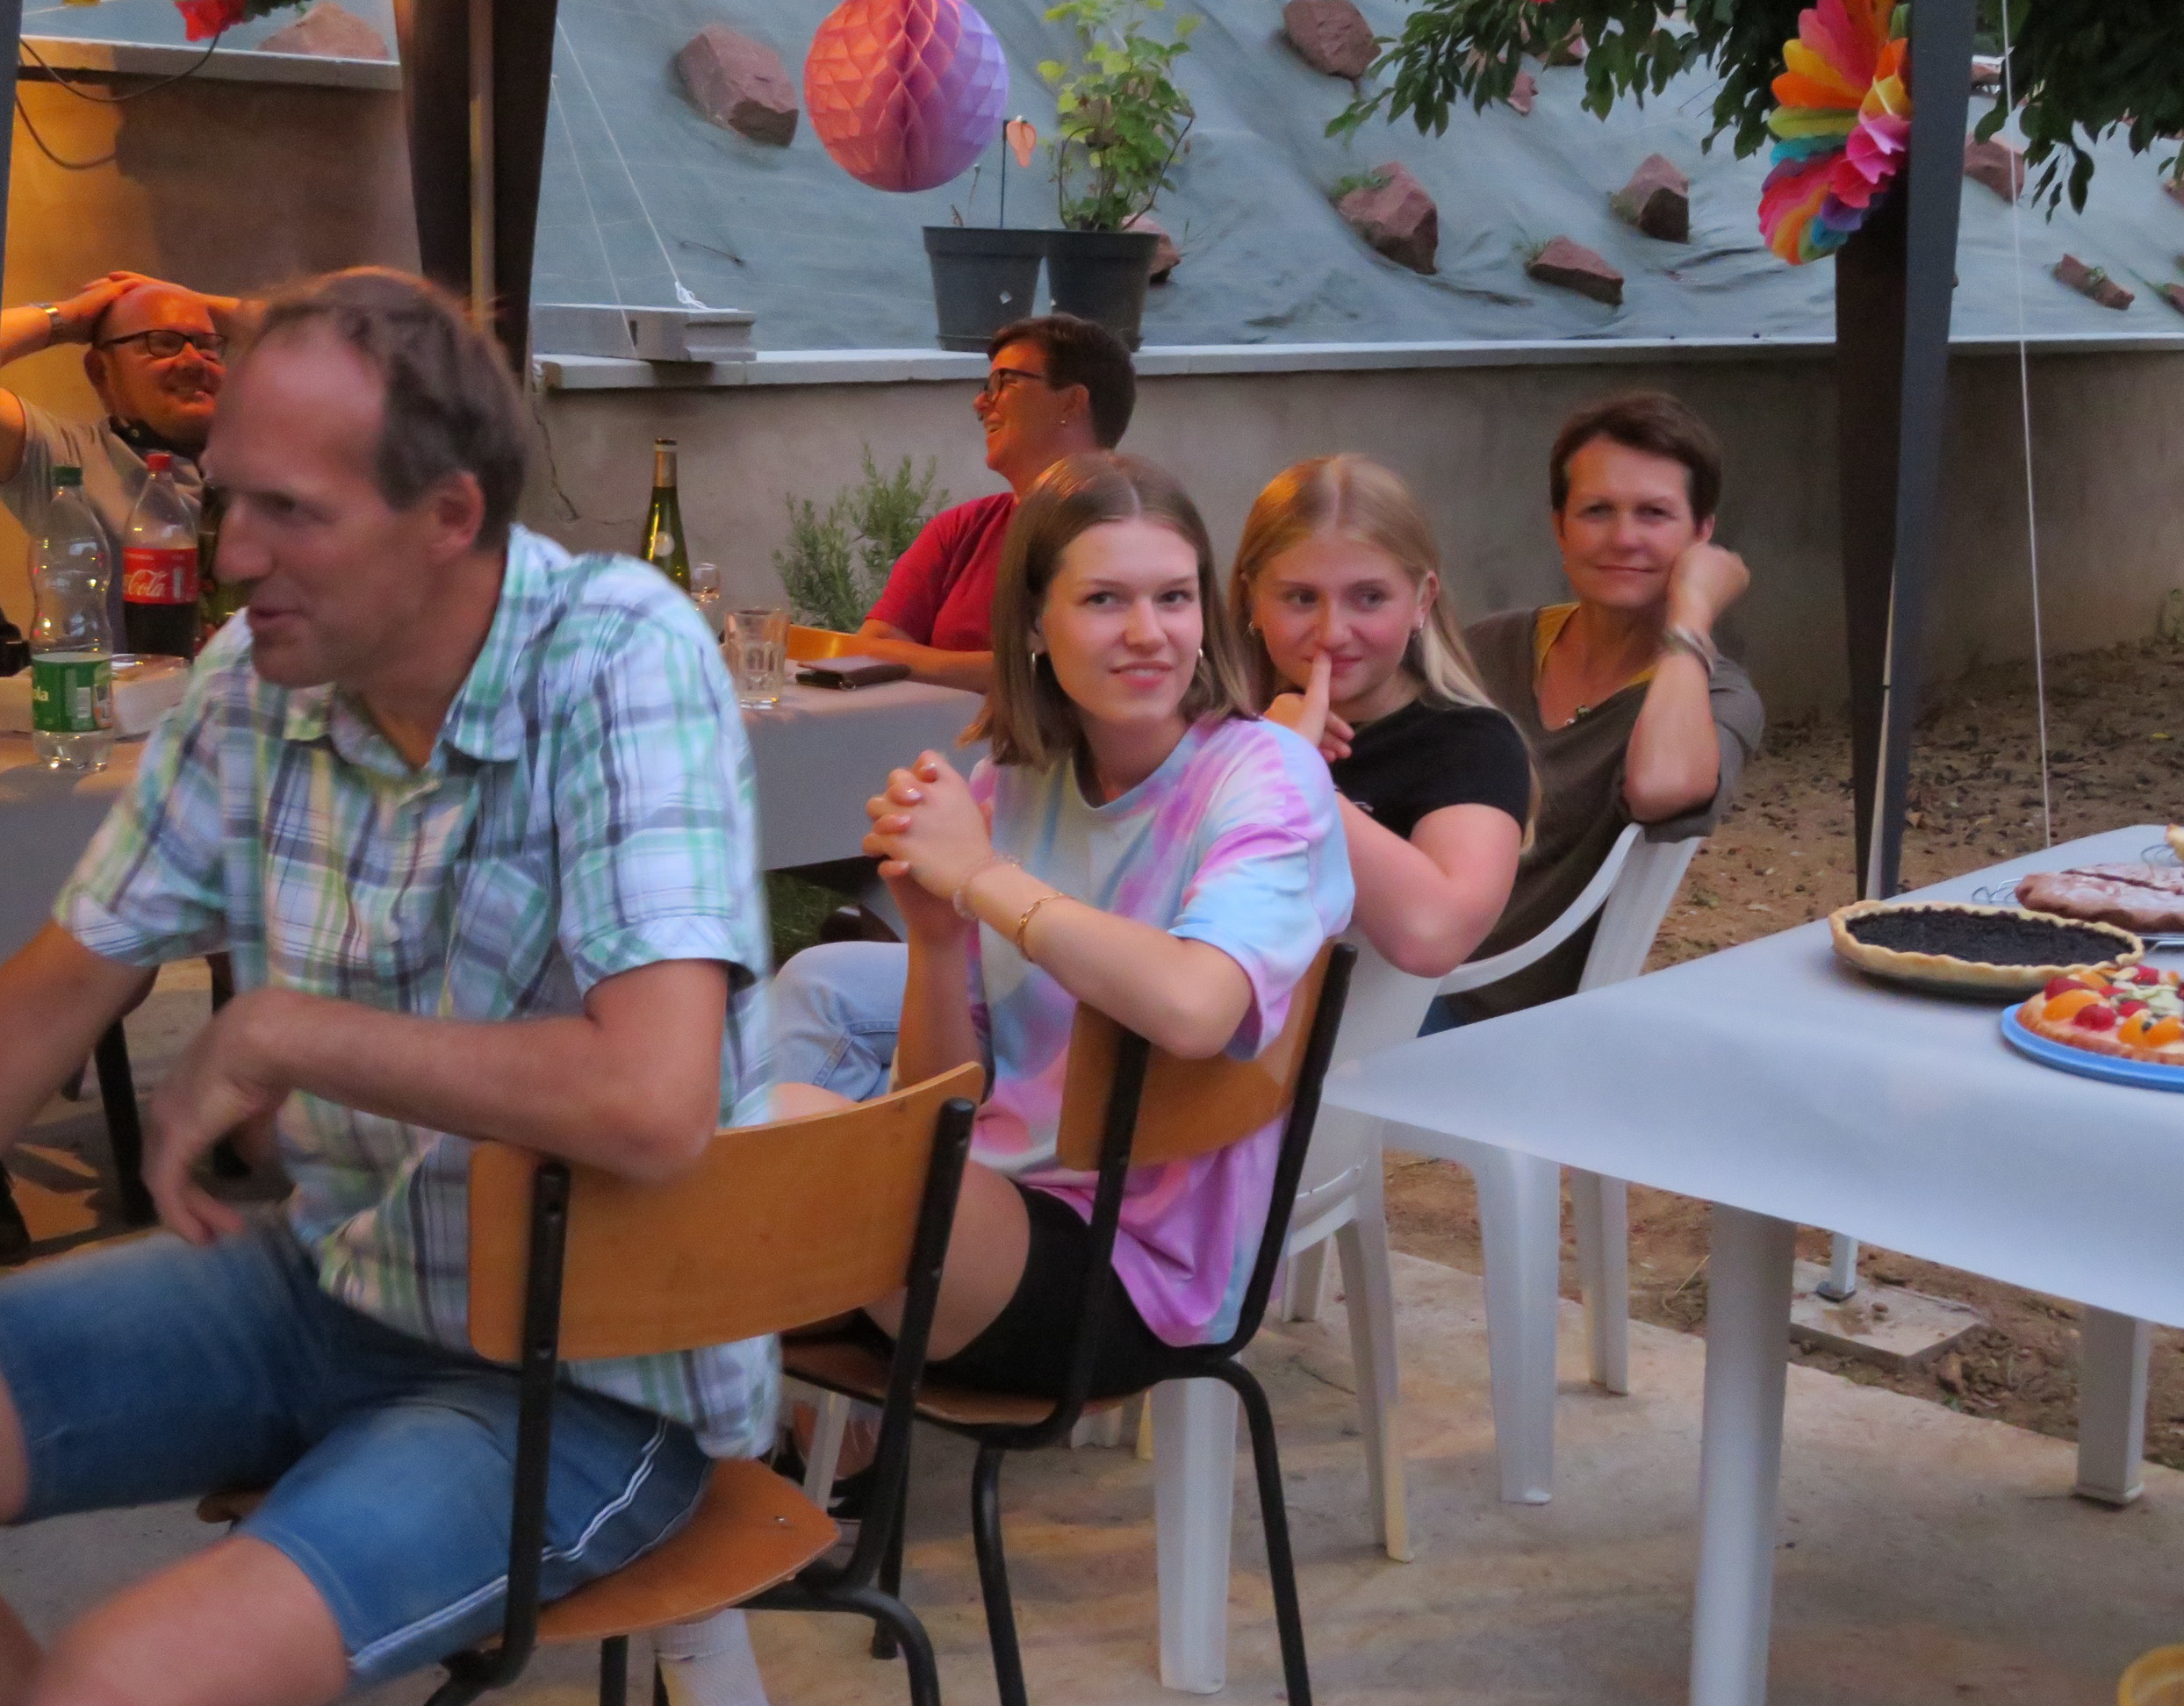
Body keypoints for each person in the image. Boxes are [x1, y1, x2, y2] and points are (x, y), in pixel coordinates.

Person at [0, 269, 791, 1706]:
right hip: (323, 1283)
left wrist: (289, 1032)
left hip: (584, 1370)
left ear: (448, 518)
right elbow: (50, 996)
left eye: (290, 511)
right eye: (225, 498)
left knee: (123, 1671)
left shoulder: (616, 656)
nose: (233, 552)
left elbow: (652, 1098)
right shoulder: (254, 679)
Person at [828, 454, 1352, 1397]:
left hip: (1143, 1269)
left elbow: (1196, 1007)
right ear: (1035, 621)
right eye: (1106, 600)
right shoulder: (1011, 782)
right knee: (766, 1139)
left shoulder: (1264, 775)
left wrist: (983, 879)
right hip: (994, 1208)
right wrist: (938, 940)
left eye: (1175, 598)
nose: (1149, 634)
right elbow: (945, 1101)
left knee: (773, 1198)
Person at [1446, 391, 1764, 1024]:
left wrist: (1690, 617)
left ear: (1701, 534)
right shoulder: (1488, 648)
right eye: (1596, 511)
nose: (1624, 538)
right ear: (1559, 526)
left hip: (1486, 1018)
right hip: (1389, 969)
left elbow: (1660, 787)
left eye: (1654, 513)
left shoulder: (1716, 699)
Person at [1228, 455, 1533, 978]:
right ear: (1253, 598)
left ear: (1422, 601)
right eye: (1301, 598)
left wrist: (1288, 766)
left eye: (1369, 598)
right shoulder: (1219, 723)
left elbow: (1434, 936)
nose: (1332, 632)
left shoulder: (1472, 743)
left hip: (1386, 1029)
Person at [849, 314, 1136, 692]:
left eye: (1004, 382)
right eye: (987, 386)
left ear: (1071, 403)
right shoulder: (963, 528)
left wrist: (923, 664)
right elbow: (870, 648)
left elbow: (1103, 669)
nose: (981, 402)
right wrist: (1022, 671)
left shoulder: (1139, 532)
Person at [0, 270, 255, 633]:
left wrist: (201, 303)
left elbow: (345, 328)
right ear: (100, 371)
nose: (193, 361)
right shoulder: (65, 456)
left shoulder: (272, 462)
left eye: (207, 344)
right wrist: (66, 318)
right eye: (163, 343)